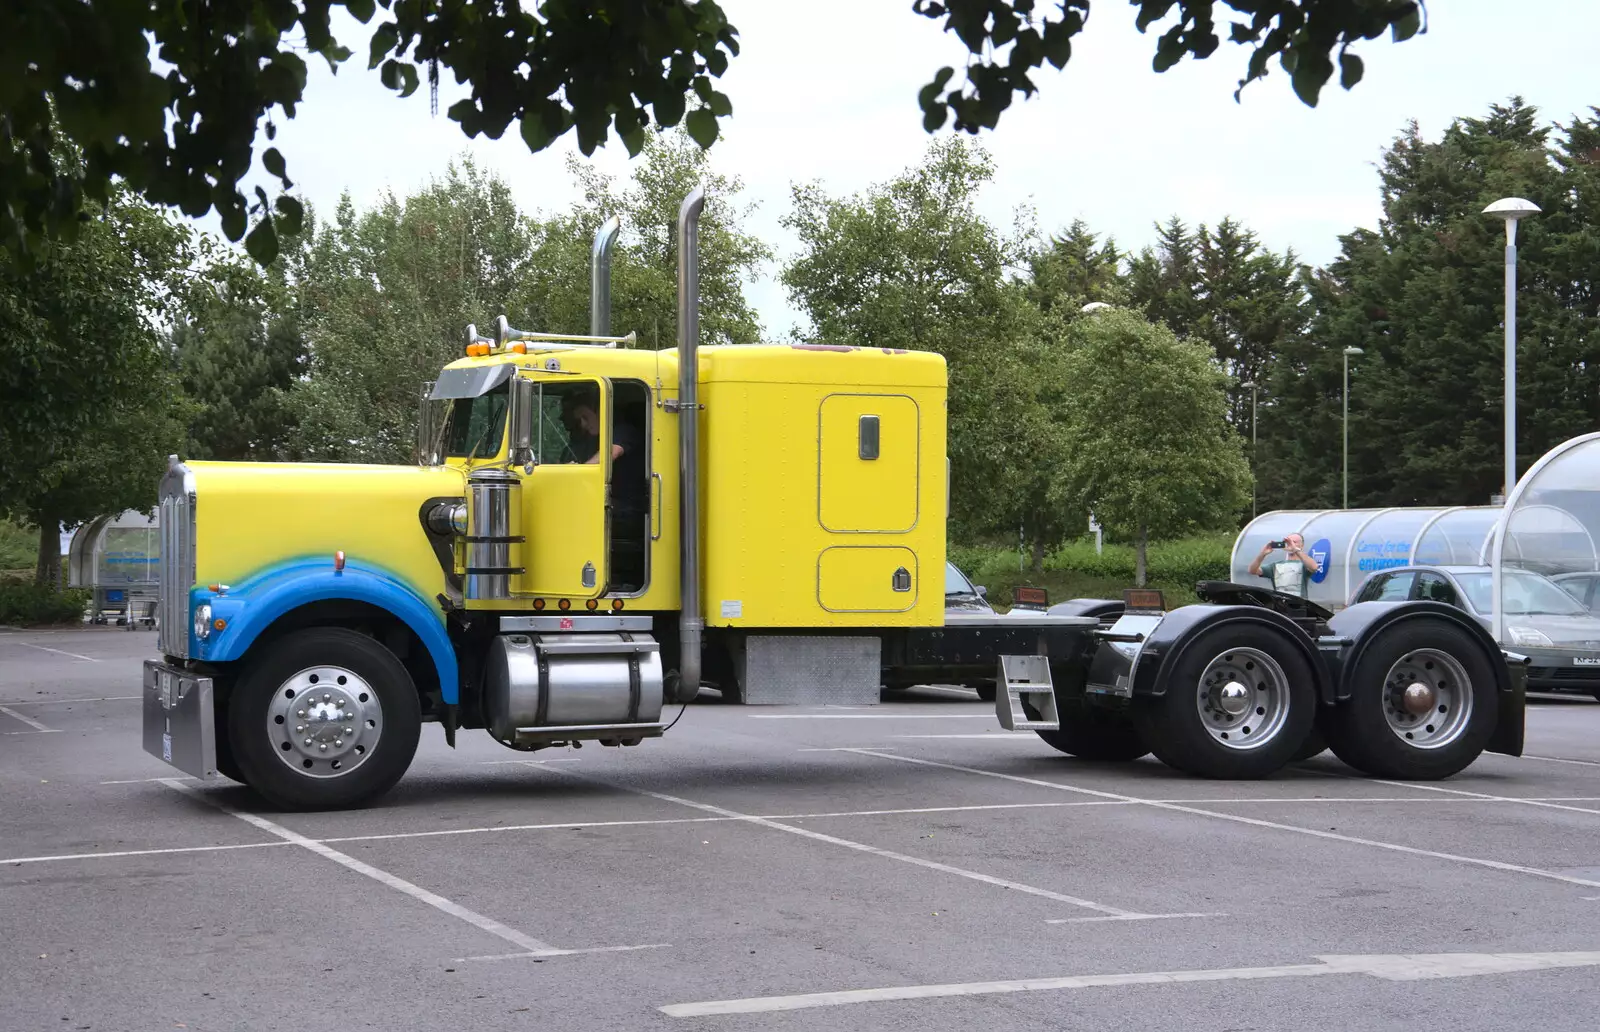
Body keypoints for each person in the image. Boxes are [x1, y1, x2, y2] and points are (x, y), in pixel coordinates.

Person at [561, 388, 648, 590]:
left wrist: (580, 470)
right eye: (578, 420)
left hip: (626, 511)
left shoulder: (623, 431)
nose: (582, 424)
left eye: (585, 416)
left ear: (601, 409)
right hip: (608, 506)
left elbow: (609, 455)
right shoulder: (588, 441)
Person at [1247, 533, 1320, 598]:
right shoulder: (1275, 566)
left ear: (1302, 546)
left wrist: (1295, 549)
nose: (1290, 544)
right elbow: (1252, 570)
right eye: (1288, 542)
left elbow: (1314, 567)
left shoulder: (1304, 564)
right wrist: (1262, 554)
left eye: (1294, 542)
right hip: (1280, 606)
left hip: (1299, 607)